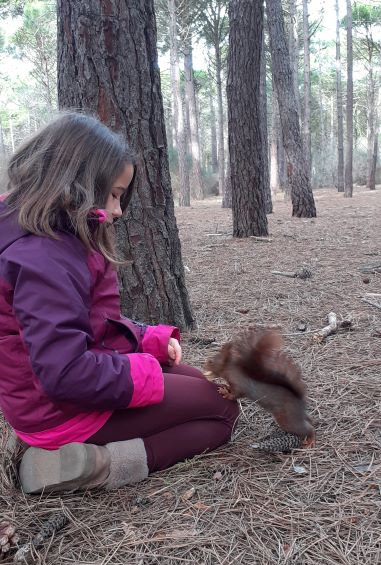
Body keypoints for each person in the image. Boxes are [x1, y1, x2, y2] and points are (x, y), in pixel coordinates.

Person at [0, 112, 239, 495]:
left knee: (205, 383)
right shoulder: (43, 256)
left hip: (54, 400)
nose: (118, 210)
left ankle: (74, 449)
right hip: (60, 411)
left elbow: (90, 323)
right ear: (76, 182)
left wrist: (150, 341)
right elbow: (65, 374)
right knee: (223, 411)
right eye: (112, 194)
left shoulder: (54, 236)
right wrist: (142, 372)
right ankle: (100, 465)